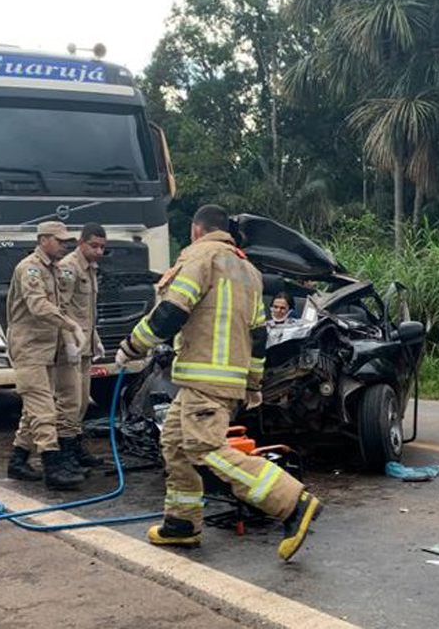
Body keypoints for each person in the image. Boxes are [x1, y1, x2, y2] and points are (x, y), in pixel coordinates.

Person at [115, 204, 321, 561]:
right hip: (224, 379)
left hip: (202, 376)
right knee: (175, 442)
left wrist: (132, 346)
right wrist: (254, 384)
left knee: (204, 449)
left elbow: (172, 311)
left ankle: (292, 503)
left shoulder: (201, 258)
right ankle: (181, 524)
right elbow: (259, 337)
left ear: (197, 230)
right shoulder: (249, 271)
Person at [5, 221, 87, 489]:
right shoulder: (29, 268)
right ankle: (52, 465)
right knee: (43, 408)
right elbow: (38, 305)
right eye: (59, 240)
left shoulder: (53, 270)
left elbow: (62, 303)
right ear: (43, 240)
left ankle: (18, 460)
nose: (64, 245)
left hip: (48, 347)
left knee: (34, 409)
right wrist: (69, 325)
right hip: (29, 348)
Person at [56, 222, 107, 470]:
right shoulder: (69, 268)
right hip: (71, 347)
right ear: (81, 242)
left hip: (84, 345)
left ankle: (76, 446)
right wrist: (68, 343)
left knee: (83, 402)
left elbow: (87, 312)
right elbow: (61, 309)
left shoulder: (90, 269)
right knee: (70, 401)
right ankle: (63, 453)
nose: (98, 252)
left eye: (102, 248)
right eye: (94, 246)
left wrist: (95, 340)